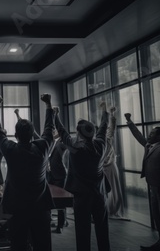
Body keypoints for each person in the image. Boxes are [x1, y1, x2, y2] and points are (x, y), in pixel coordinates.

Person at [0, 94, 54, 251]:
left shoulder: (11, 150)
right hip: (40, 207)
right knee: (43, 245)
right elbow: (49, 130)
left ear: (15, 135)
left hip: (17, 209)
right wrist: (48, 105)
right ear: (33, 135)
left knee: (18, 245)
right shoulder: (42, 148)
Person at [55, 102, 111, 251]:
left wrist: (55, 114)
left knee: (82, 230)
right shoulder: (100, 145)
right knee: (102, 229)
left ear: (79, 133)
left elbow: (61, 131)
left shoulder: (75, 148)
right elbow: (104, 127)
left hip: (81, 196)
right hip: (100, 194)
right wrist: (105, 111)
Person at [125, 113, 160, 251]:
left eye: (152, 134)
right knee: (158, 217)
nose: (149, 136)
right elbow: (138, 136)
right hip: (153, 187)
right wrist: (129, 122)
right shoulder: (149, 146)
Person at [48, 107, 68, 234]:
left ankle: (60, 225)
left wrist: (56, 115)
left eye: (56, 130)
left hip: (60, 175)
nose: (54, 132)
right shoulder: (53, 142)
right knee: (49, 198)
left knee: (61, 201)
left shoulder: (64, 142)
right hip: (51, 175)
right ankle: (52, 219)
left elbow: (61, 129)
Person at [103, 107, 125, 219]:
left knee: (112, 188)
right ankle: (107, 209)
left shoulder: (105, 139)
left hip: (109, 167)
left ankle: (111, 209)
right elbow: (111, 128)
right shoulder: (100, 141)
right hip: (106, 168)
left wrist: (111, 114)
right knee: (108, 189)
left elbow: (111, 128)